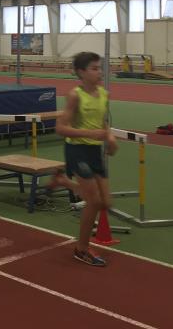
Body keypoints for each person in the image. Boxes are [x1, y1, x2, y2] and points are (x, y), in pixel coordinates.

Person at [50, 51, 118, 267]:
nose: (99, 72)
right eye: (94, 68)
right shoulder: (75, 96)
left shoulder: (104, 94)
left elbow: (102, 122)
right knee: (94, 201)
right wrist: (90, 134)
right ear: (81, 72)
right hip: (77, 150)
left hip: (94, 152)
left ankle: (63, 181)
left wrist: (109, 137)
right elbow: (60, 128)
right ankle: (81, 248)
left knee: (106, 203)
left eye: (100, 68)